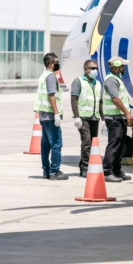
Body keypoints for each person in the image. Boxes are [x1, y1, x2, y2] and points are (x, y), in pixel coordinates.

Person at [33, 53, 68, 181]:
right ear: (50, 64)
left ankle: (46, 171)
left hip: (43, 115)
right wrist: (56, 113)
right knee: (56, 144)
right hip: (51, 116)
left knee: (46, 145)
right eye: (56, 61)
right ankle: (54, 171)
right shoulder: (51, 77)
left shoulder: (43, 76)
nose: (58, 64)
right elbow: (51, 95)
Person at [102, 56, 133, 182]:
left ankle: (116, 170)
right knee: (114, 144)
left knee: (120, 145)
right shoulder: (111, 80)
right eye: (122, 65)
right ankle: (107, 171)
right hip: (114, 118)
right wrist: (127, 113)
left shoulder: (117, 79)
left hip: (119, 117)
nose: (124, 67)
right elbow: (115, 98)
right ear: (115, 65)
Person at [70, 59, 103, 178]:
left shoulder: (98, 83)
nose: (95, 71)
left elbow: (100, 102)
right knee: (86, 142)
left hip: (95, 118)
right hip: (83, 117)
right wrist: (76, 117)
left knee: (93, 144)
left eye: (96, 68)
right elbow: (74, 99)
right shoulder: (78, 81)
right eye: (93, 68)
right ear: (86, 69)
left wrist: (103, 118)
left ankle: (86, 165)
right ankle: (85, 167)